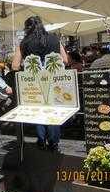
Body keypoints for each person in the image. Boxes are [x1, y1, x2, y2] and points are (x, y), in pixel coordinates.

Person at [12, 16, 68, 151]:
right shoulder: (55, 39)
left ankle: (41, 139)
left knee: (39, 109)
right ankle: (54, 141)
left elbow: (14, 66)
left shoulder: (24, 42)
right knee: (53, 109)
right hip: (53, 80)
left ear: (27, 28)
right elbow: (65, 60)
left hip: (35, 81)